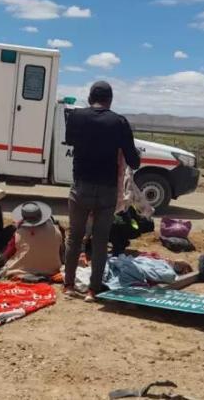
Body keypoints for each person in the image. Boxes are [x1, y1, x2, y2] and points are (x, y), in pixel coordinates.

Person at [63, 81, 140, 302]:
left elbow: (70, 141)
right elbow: (133, 160)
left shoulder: (76, 117)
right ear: (110, 100)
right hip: (107, 190)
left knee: (74, 238)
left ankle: (68, 286)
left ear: (90, 97)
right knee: (99, 240)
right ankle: (93, 290)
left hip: (81, 186)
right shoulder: (119, 122)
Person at [0, 202, 64, 281]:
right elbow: (61, 251)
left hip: (23, 270)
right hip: (52, 270)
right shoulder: (57, 230)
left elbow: (6, 255)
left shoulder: (19, 234)